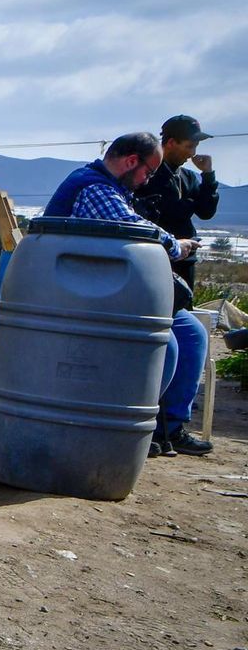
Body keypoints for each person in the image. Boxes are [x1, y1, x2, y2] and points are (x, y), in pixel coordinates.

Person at [42, 132, 211, 457]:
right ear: (132, 162)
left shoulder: (110, 189)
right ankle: (127, 426)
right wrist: (178, 245)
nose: (147, 179)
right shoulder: (93, 187)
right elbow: (133, 228)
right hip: (82, 292)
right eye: (148, 172)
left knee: (191, 335)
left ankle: (170, 426)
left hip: (113, 289)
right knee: (166, 344)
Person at [134, 115, 219, 291]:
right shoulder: (147, 176)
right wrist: (187, 205)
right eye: (188, 146)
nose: (192, 153)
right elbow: (159, 213)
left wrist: (208, 176)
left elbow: (206, 212)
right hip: (156, 256)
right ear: (171, 143)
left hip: (186, 260)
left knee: (184, 309)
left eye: (195, 147)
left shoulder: (188, 177)